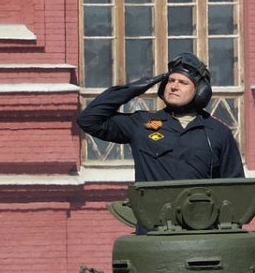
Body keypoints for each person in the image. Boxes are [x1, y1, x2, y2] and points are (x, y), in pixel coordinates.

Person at [76, 51, 244, 182]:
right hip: (154, 224)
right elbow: (89, 120)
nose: (174, 87)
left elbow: (236, 189)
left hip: (201, 225)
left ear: (200, 92)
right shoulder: (142, 124)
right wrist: (135, 88)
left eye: (183, 83)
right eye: (171, 81)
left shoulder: (217, 132)